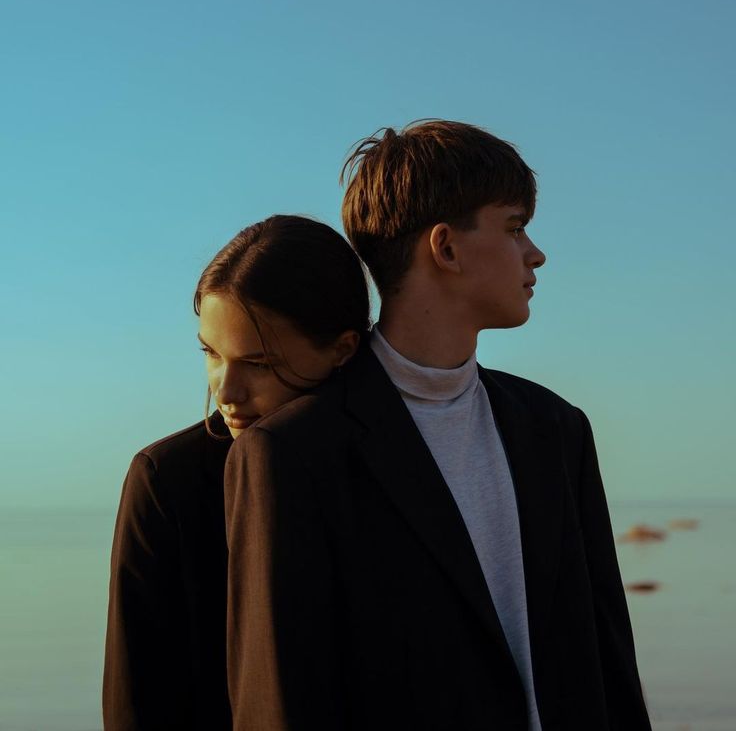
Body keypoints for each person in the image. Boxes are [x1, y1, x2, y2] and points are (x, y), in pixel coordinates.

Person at [224, 120, 652, 730]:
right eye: (513, 227)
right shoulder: (291, 452)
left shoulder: (556, 428)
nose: (536, 253)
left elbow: (609, 656)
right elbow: (281, 699)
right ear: (446, 248)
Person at [102, 215, 369, 730]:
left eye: (260, 363)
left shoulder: (392, 464)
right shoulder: (166, 481)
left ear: (342, 348)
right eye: (211, 353)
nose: (226, 391)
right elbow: (136, 703)